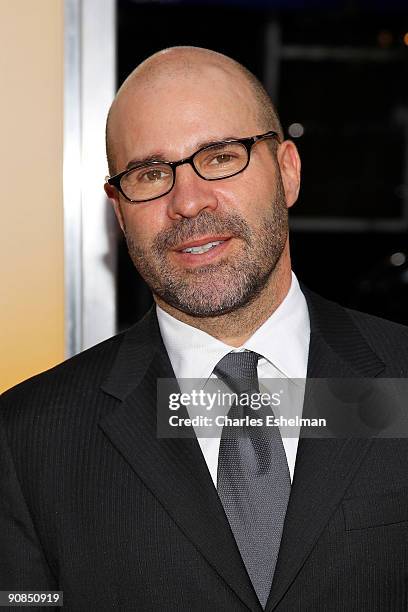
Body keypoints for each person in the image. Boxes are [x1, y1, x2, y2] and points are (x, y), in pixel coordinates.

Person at [1, 46, 408, 612]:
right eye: (149, 174)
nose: (187, 202)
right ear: (119, 212)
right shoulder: (26, 440)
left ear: (287, 172)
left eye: (219, 157)